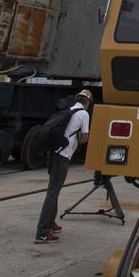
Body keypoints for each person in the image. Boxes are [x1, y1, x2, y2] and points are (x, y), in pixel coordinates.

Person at [34, 88, 92, 244]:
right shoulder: (83, 114)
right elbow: (84, 139)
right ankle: (42, 232)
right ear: (86, 102)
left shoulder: (68, 111)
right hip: (63, 156)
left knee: (54, 189)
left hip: (54, 153)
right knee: (53, 192)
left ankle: (51, 223)